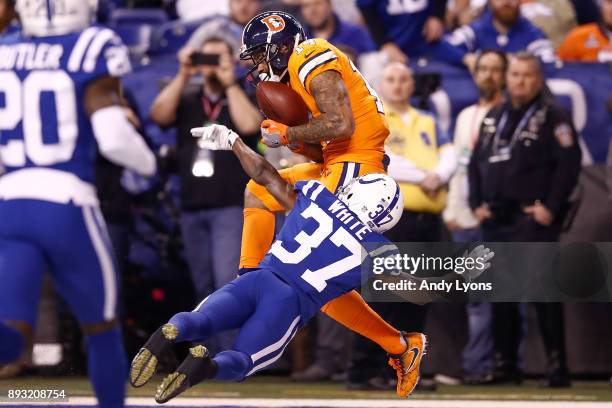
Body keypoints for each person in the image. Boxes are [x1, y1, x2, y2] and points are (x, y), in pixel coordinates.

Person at [129, 124, 426, 404]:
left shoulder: (317, 195)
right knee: (243, 361)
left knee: (201, 320)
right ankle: (203, 369)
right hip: (288, 304)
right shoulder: (375, 249)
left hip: (258, 278)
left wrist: (233, 141)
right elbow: (415, 292)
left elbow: (264, 175)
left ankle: (168, 332)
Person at [237, 10, 424, 398]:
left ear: (281, 46)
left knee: (314, 275)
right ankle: (249, 279)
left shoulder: (309, 54)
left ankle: (405, 285)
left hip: (355, 162)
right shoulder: (296, 73)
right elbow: (319, 142)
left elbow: (341, 125)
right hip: (333, 162)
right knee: (258, 192)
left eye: (259, 54)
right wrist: (291, 140)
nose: (256, 65)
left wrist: (288, 131)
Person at [0, 1, 157, 407]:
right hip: (66, 205)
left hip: (10, 203)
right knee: (102, 328)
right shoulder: (91, 44)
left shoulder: (5, 50)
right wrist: (149, 162)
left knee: (12, 334)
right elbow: (113, 138)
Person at [468, 52, 581, 387]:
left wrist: (551, 207)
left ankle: (557, 368)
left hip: (532, 220)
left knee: (544, 296)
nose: (520, 81)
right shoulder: (494, 116)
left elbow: (569, 165)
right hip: (496, 220)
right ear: (507, 78)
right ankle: (505, 366)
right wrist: (476, 203)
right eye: (515, 74)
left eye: (527, 75)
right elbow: (475, 165)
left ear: (538, 78)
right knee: (502, 297)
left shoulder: (553, 117)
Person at [343, 62, 456, 392]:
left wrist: (440, 175)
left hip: (427, 221)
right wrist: (428, 177)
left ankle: (407, 366)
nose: (398, 85)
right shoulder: (374, 118)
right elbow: (384, 157)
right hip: (390, 223)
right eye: (390, 79)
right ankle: (363, 370)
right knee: (382, 298)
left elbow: (450, 156)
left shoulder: (428, 121)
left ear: (412, 84)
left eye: (404, 78)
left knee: (418, 297)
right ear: (381, 84)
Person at [149, 36, 261, 334]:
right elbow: (158, 115)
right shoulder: (187, 98)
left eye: (218, 59)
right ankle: (205, 355)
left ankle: (231, 357)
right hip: (192, 203)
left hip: (230, 202)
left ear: (232, 62)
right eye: (206, 59)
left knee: (227, 281)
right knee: (202, 283)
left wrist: (230, 83)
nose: (211, 67)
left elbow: (250, 126)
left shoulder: (243, 95)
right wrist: (184, 73)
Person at [443, 50, 506, 384]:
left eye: (496, 70)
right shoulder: (466, 114)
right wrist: (453, 209)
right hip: (463, 219)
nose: (489, 76)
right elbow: (459, 169)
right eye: (483, 69)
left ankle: (485, 364)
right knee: (474, 298)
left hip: (494, 219)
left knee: (494, 299)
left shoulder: (509, 115)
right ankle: (478, 362)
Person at [436, 0, 556, 69]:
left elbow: (549, 63)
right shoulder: (476, 30)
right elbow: (442, 46)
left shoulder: (533, 35)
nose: (507, 1)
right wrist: (468, 59)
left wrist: (517, 63)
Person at [357, 0, 447, 63]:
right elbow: (367, 8)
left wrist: (437, 15)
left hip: (426, 40)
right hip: (390, 41)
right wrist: (384, 43)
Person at [301, 0, 376, 58]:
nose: (312, 11)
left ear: (330, 5)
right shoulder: (300, 41)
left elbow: (372, 62)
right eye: (306, 6)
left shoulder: (355, 33)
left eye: (317, 4)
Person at [187, 0, 262, 58]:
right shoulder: (212, 29)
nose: (243, 7)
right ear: (229, 4)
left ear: (258, 5)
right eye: (238, 1)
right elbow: (188, 55)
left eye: (250, 2)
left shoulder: (268, 34)